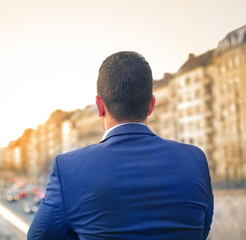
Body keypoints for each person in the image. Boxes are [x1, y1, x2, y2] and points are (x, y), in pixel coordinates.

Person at [27, 51, 213, 240]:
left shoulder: (68, 168)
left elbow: (38, 237)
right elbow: (202, 231)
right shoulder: (195, 160)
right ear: (151, 105)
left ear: (100, 106)